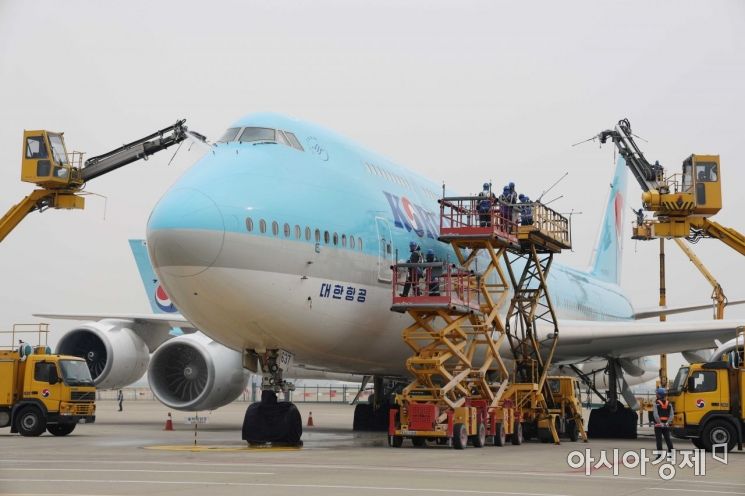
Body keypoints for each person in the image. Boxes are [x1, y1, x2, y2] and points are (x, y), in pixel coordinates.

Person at [652, 387, 674, 453]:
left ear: (659, 395)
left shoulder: (656, 404)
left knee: (659, 440)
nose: (656, 395)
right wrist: (667, 422)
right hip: (666, 425)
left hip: (658, 425)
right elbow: (671, 415)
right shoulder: (669, 404)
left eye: (657, 394)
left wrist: (660, 422)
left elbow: (655, 415)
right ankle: (671, 453)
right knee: (668, 439)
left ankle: (659, 455)